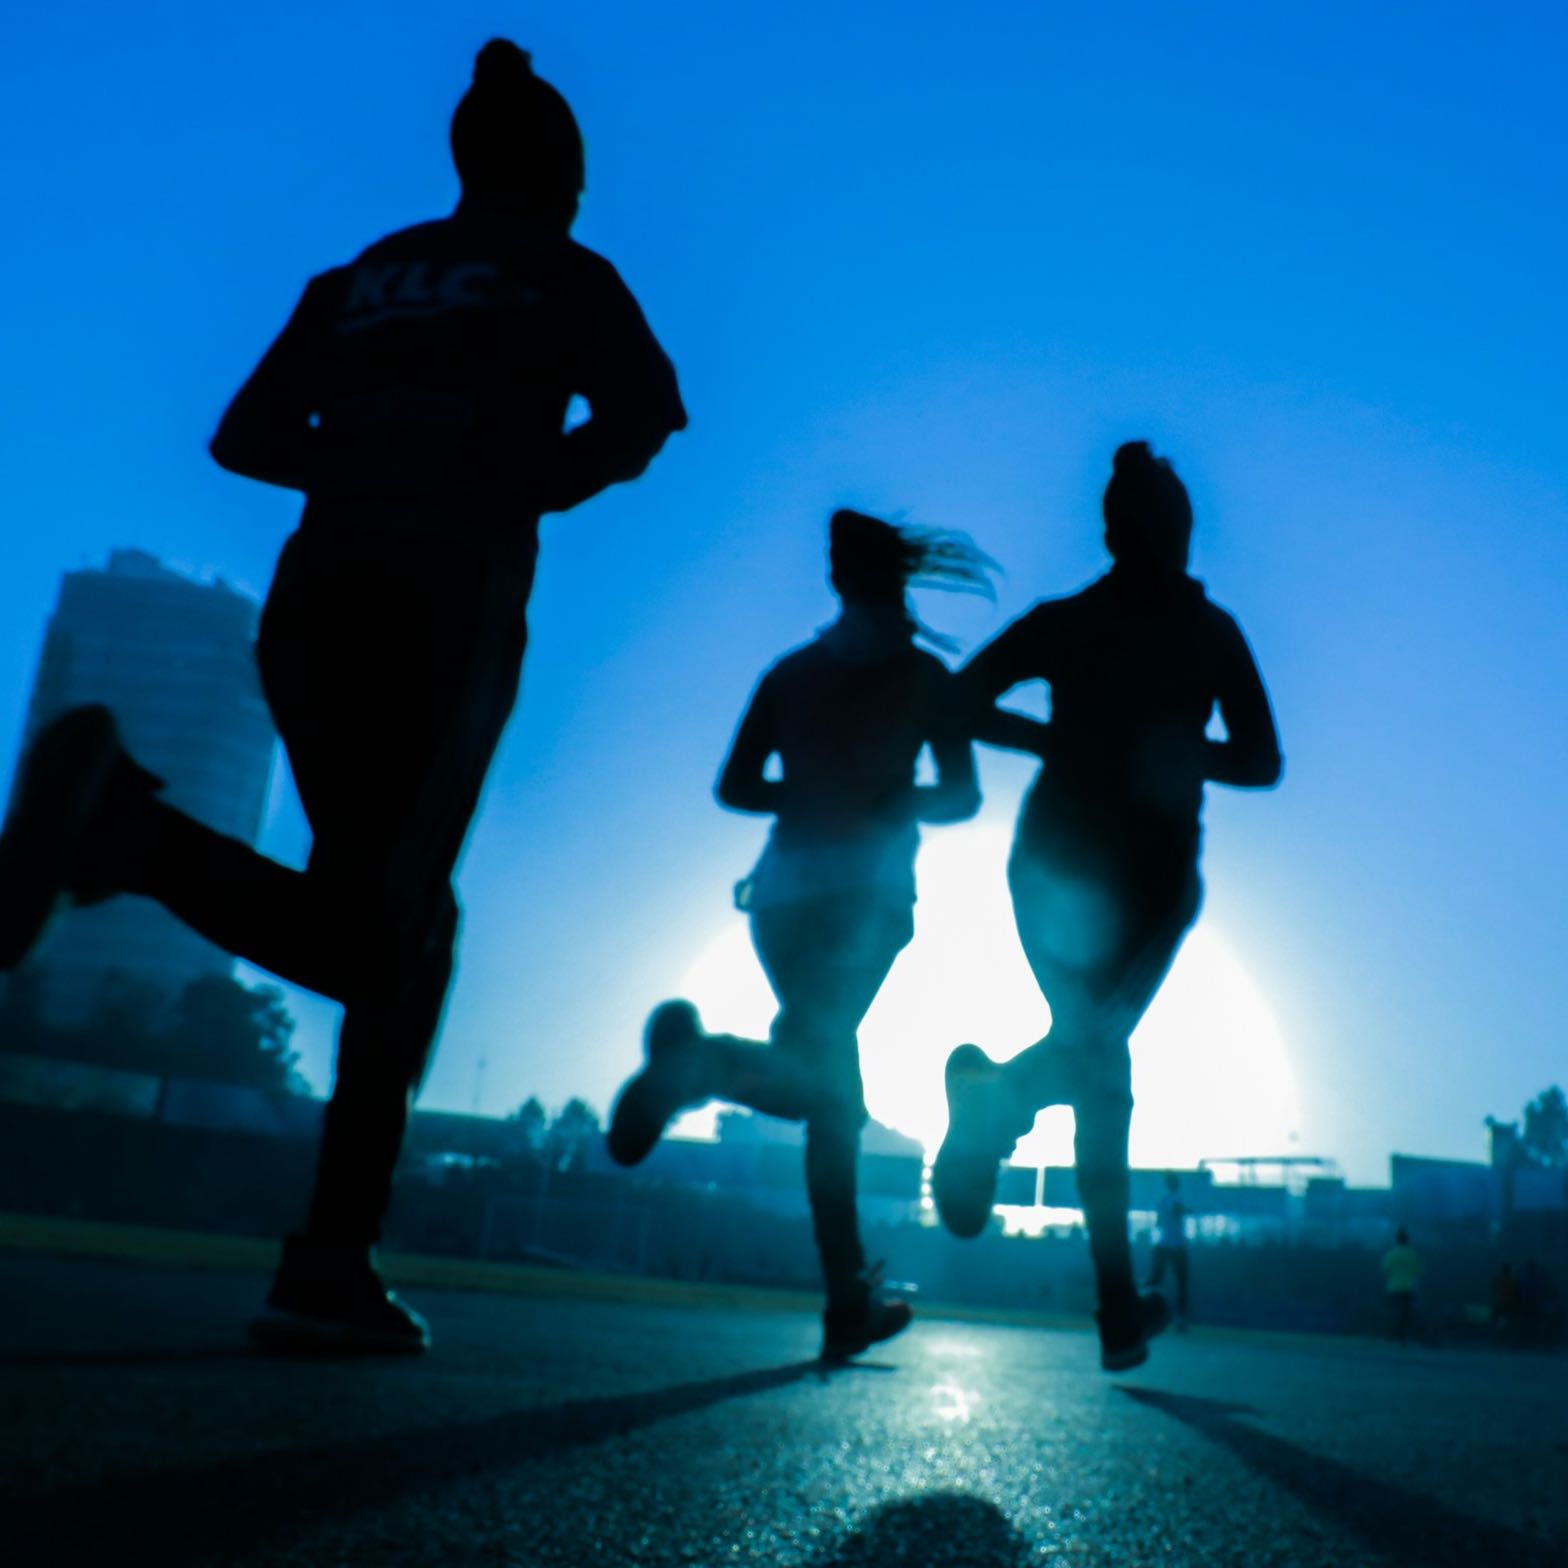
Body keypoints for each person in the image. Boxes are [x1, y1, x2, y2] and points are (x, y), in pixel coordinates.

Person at [0, 40, 685, 1352]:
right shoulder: (563, 271)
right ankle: (126, 838)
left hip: (316, 599)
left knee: (395, 918)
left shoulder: (362, 276)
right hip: (445, 601)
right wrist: (516, 474)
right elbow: (646, 414)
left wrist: (372, 454)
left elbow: (244, 437)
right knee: (394, 930)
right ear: (560, 178)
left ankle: (327, 1261)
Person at [606, 510, 992, 1361]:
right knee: (832, 1098)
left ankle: (845, 1294)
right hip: (866, 904)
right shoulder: (926, 680)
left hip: (779, 901)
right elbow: (963, 798)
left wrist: (809, 794)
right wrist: (889, 801)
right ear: (897, 579)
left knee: (831, 1094)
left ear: (836, 581)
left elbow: (736, 785)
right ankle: (702, 1067)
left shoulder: (790, 675)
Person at [932, 441, 1282, 1372]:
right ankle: (1114, 1304)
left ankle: (997, 1113)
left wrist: (1077, 742)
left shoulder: (1095, 624)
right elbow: (1260, 760)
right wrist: (1112, 745)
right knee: (1099, 1065)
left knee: (1096, 1063)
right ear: (1148, 534)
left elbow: (959, 704)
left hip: (1092, 882)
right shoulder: (1192, 633)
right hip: (1117, 886)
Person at [1146, 1170, 1191, 1329]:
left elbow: (1158, 1223)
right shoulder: (1177, 1199)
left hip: (1164, 1244)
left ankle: (1145, 1310)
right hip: (1176, 1246)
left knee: (1155, 1280)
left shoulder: (1161, 1201)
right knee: (1181, 1284)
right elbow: (1179, 1210)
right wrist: (1188, 1210)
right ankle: (1180, 1318)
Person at [1382, 1227, 1423, 1345]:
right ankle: (1403, 1337)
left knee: (1395, 1311)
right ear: (1408, 1240)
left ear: (1396, 1240)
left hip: (1394, 1287)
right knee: (1406, 1313)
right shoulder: (1412, 1254)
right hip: (1409, 1287)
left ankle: (1394, 1335)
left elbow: (1385, 1269)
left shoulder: (1391, 1254)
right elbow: (1419, 1271)